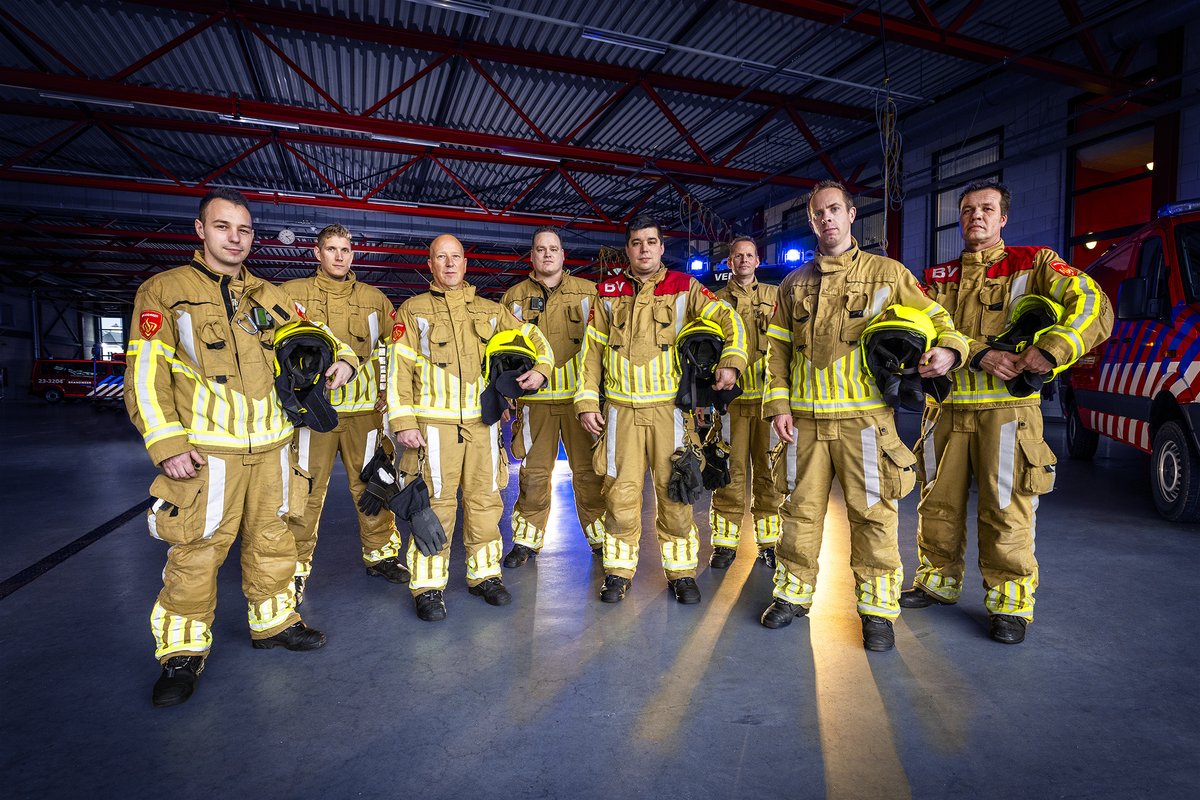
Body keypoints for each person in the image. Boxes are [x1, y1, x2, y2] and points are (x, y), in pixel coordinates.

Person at [125, 188, 358, 707]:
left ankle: (273, 622)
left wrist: (344, 361)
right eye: (223, 226)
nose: (235, 238)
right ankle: (182, 652)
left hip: (273, 448)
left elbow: (326, 338)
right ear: (200, 230)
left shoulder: (269, 296)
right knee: (197, 551)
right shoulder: (165, 292)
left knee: (274, 539)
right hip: (208, 451)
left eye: (245, 229)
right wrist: (166, 442)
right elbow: (145, 375)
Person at [759, 180, 969, 651]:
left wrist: (949, 352)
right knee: (798, 512)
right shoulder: (793, 285)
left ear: (851, 215)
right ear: (811, 221)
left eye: (835, 209)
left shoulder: (888, 274)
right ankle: (791, 595)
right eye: (818, 213)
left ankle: (877, 612)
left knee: (874, 516)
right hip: (804, 424)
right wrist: (778, 406)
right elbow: (777, 352)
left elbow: (940, 321)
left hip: (866, 424)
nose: (827, 219)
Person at [901, 179, 1112, 644]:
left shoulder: (1035, 264)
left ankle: (1010, 602)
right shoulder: (935, 278)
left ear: (1003, 218)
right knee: (937, 503)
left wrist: (1054, 348)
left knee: (1007, 507)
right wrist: (978, 353)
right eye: (968, 209)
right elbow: (915, 326)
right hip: (945, 410)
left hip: (1009, 411)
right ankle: (937, 581)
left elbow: (1093, 301)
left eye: (986, 208)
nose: (976, 216)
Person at [575, 215, 746, 605]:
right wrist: (586, 402)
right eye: (636, 243)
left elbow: (730, 319)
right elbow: (590, 353)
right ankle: (617, 572)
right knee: (619, 494)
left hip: (668, 412)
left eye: (651, 242)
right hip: (619, 412)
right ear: (628, 249)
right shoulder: (608, 293)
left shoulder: (684, 287)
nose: (644, 249)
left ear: (662, 247)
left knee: (676, 493)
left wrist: (732, 361)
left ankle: (682, 573)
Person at [387, 234, 553, 621]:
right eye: (441, 257)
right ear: (430, 264)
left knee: (485, 503)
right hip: (433, 428)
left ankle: (485, 575)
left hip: (483, 425)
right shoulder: (413, 310)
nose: (449, 264)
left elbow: (534, 337)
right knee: (436, 507)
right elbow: (398, 370)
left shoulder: (492, 312)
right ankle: (428, 586)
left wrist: (541, 370)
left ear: (465, 264)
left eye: (456, 257)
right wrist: (403, 422)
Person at [282, 224, 408, 603]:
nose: (339, 256)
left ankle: (381, 555)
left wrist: (390, 393)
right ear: (317, 253)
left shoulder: (374, 299)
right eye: (331, 249)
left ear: (353, 254)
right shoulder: (291, 295)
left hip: (364, 415)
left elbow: (399, 348)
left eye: (345, 250)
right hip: (313, 415)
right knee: (305, 491)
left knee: (373, 484)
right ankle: (294, 568)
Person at [500, 227, 606, 567]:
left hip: (580, 403)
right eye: (541, 249)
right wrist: (503, 398)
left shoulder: (589, 293)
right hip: (535, 404)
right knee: (533, 475)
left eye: (553, 249)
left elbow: (604, 346)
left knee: (589, 473)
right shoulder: (514, 298)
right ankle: (525, 542)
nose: (547, 254)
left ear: (563, 255)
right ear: (532, 256)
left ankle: (601, 539)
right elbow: (500, 352)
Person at [708, 236, 784, 570]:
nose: (743, 261)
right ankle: (725, 544)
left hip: (768, 402)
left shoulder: (776, 296)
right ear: (729, 262)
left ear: (757, 260)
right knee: (729, 474)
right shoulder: (715, 299)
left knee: (769, 475)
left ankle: (770, 543)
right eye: (737, 256)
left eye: (749, 255)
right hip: (732, 403)